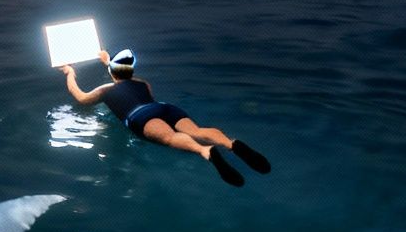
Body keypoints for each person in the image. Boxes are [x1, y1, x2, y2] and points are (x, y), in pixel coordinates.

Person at [60, 47, 271, 186]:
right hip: (163, 107)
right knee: (197, 131)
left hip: (139, 116)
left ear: (112, 73)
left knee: (170, 138)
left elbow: (80, 97)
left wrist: (71, 73)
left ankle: (204, 151)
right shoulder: (143, 83)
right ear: (131, 71)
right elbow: (121, 73)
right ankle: (230, 143)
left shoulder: (105, 90)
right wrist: (108, 61)